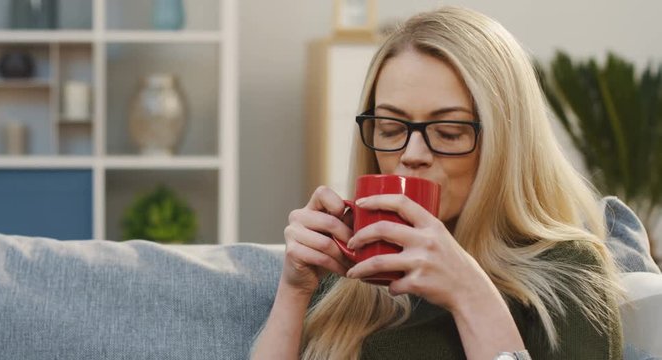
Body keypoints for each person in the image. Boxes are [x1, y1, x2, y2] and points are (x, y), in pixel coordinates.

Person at [251, 6, 623, 360]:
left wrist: (471, 297)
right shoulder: (348, 271)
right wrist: (294, 291)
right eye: (391, 128)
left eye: (448, 132)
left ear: (506, 144)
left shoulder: (567, 268)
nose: (413, 154)